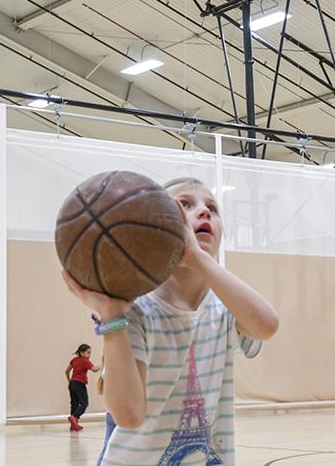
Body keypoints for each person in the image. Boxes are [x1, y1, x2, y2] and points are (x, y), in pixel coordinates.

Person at [63, 177, 278, 464]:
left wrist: (198, 258)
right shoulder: (136, 310)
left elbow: (267, 325)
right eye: (185, 205)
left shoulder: (226, 306)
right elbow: (128, 415)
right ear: (154, 227)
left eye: (212, 208)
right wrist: (112, 318)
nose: (203, 211)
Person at [65, 343, 100, 431]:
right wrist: (102, 365)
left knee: (74, 404)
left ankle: (73, 424)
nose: (89, 355)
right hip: (80, 383)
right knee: (84, 403)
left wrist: (70, 381)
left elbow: (66, 371)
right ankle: (74, 417)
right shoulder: (85, 361)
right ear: (81, 352)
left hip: (72, 383)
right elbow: (94, 370)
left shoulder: (74, 360)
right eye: (88, 353)